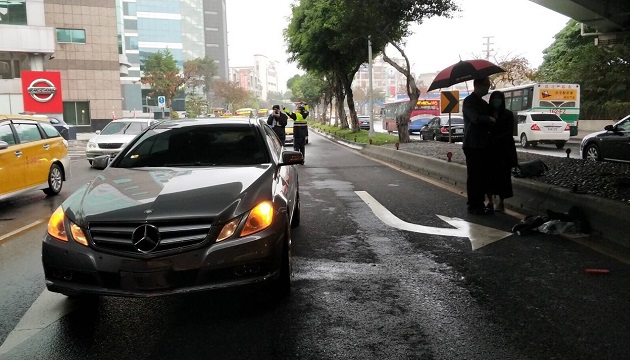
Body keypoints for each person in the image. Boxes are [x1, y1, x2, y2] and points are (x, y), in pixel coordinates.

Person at [462, 77, 496, 215]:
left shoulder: (483, 103)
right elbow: (475, 118)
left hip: (483, 144)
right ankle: (473, 204)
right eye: (486, 85)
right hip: (472, 144)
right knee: (474, 176)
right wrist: (489, 119)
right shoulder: (468, 102)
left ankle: (480, 203)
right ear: (478, 85)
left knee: (482, 176)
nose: (487, 88)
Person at [485, 90, 518, 212]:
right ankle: (489, 201)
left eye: (499, 98)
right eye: (495, 98)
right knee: (488, 176)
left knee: (503, 177)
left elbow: (509, 132)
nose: (497, 101)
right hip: (489, 150)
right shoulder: (486, 114)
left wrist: (496, 138)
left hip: (503, 151)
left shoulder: (508, 114)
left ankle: (501, 201)